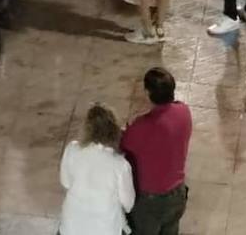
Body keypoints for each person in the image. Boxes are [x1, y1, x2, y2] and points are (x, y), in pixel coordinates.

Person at [121, 68, 192, 235]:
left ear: (147, 92)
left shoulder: (143, 126)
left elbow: (123, 145)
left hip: (150, 202)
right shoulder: (184, 112)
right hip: (177, 194)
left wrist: (131, 123)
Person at [58, 104, 135, 235]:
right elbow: (128, 204)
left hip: (70, 228)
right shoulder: (120, 165)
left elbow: (65, 182)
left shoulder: (72, 149)